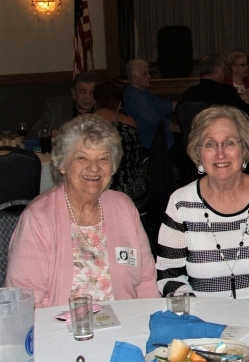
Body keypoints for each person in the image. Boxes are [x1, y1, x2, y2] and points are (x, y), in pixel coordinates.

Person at [6, 115, 159, 308]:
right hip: (61, 331)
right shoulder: (39, 218)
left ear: (113, 166)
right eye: (82, 158)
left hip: (124, 326)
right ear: (62, 164)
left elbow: (146, 281)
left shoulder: (123, 207)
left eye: (103, 158)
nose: (94, 168)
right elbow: (24, 299)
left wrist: (148, 323)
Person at [156, 105, 249, 302]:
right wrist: (198, 311)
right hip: (203, 317)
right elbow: (169, 274)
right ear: (198, 153)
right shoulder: (181, 204)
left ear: (244, 149)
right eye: (210, 144)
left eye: (229, 143)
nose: (220, 154)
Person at [93, 80, 146, 200]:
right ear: (119, 103)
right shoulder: (129, 123)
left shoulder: (85, 125)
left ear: (95, 100)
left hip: (97, 187)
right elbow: (137, 158)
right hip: (131, 188)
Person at [180, 54, 249, 120]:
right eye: (223, 68)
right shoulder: (226, 91)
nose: (224, 72)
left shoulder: (188, 94)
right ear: (216, 70)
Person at [28, 72, 97, 138]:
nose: (88, 97)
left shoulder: (102, 110)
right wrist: (49, 133)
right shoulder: (56, 106)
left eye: (92, 92)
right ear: (74, 93)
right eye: (83, 92)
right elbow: (34, 133)